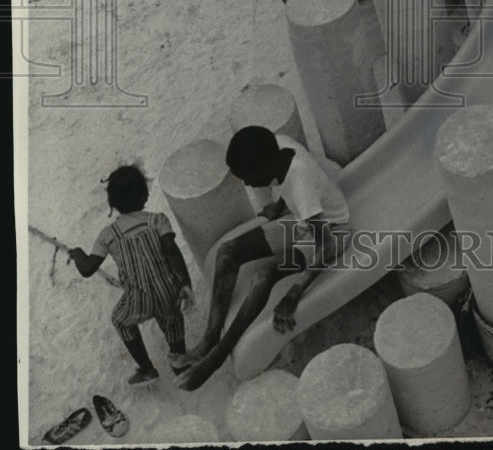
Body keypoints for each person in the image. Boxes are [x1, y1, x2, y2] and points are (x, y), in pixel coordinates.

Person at [175, 127, 350, 390]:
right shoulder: (278, 144)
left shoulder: (301, 183)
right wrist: (277, 208)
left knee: (265, 274)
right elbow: (283, 182)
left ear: (265, 164)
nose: (247, 184)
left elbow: (324, 247)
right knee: (227, 252)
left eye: (248, 176)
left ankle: (219, 355)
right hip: (302, 219)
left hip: (330, 233)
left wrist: (293, 296)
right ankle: (208, 341)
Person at [69, 165, 194, 386]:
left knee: (120, 320)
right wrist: (185, 283)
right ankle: (180, 363)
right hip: (168, 290)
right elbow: (172, 252)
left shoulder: (108, 235)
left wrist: (78, 254)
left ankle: (147, 369)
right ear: (145, 194)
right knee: (172, 320)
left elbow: (87, 269)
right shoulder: (158, 220)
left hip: (139, 297)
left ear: (113, 204)